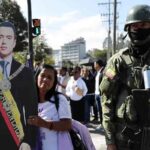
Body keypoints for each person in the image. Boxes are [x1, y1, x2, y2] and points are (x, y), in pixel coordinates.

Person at [100, 4, 150, 150]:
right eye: (135, 26)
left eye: (143, 24)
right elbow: (106, 102)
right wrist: (110, 141)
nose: (139, 29)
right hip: (125, 139)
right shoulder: (118, 62)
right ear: (128, 29)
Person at [0, 21, 38, 149]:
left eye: (8, 37)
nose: (3, 42)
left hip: (15, 139)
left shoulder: (25, 73)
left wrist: (28, 140)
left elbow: (32, 111)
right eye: (0, 37)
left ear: (14, 42)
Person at [28, 64, 72, 150]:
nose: (45, 79)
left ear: (54, 82)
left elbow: (67, 125)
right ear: (37, 77)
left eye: (49, 77)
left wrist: (43, 123)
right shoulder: (29, 100)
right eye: (43, 75)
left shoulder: (59, 99)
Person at [94, 59, 104, 129]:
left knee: (103, 110)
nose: (94, 66)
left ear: (98, 64)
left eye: (95, 64)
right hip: (96, 94)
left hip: (101, 95)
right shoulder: (97, 72)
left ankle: (104, 125)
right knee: (99, 110)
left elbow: (112, 77)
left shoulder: (105, 71)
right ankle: (101, 124)